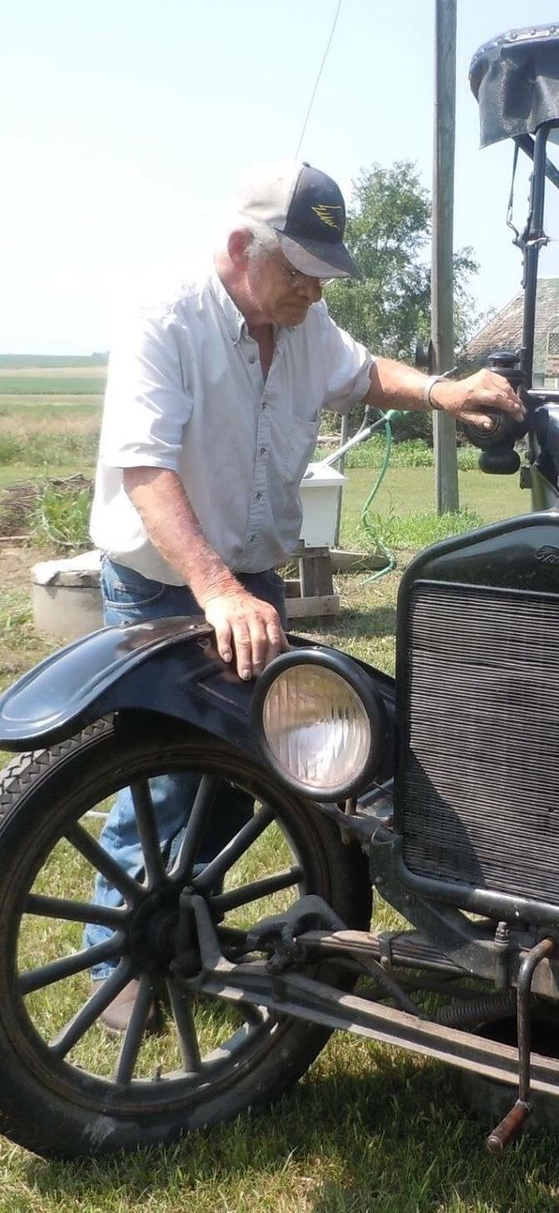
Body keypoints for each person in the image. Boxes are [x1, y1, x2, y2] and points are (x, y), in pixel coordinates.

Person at [84, 160, 523, 1032]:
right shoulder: (166, 318)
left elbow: (366, 377)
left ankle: (192, 927)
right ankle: (123, 954)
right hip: (165, 579)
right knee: (160, 770)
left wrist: (447, 392)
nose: (316, 293)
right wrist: (214, 590)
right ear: (244, 247)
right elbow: (144, 469)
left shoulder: (303, 324)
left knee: (246, 770)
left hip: (248, 578)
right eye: (301, 272)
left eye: (325, 276)